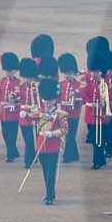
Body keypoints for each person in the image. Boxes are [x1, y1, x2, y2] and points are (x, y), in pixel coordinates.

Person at [33, 77, 69, 205]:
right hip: (41, 145)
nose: (47, 102)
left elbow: (65, 130)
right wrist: (26, 115)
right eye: (45, 100)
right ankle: (50, 193)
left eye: (49, 100)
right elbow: (32, 118)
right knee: (45, 171)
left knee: (51, 172)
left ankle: (49, 196)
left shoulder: (61, 114)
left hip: (53, 146)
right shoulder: (39, 112)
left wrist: (52, 133)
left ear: (54, 99)